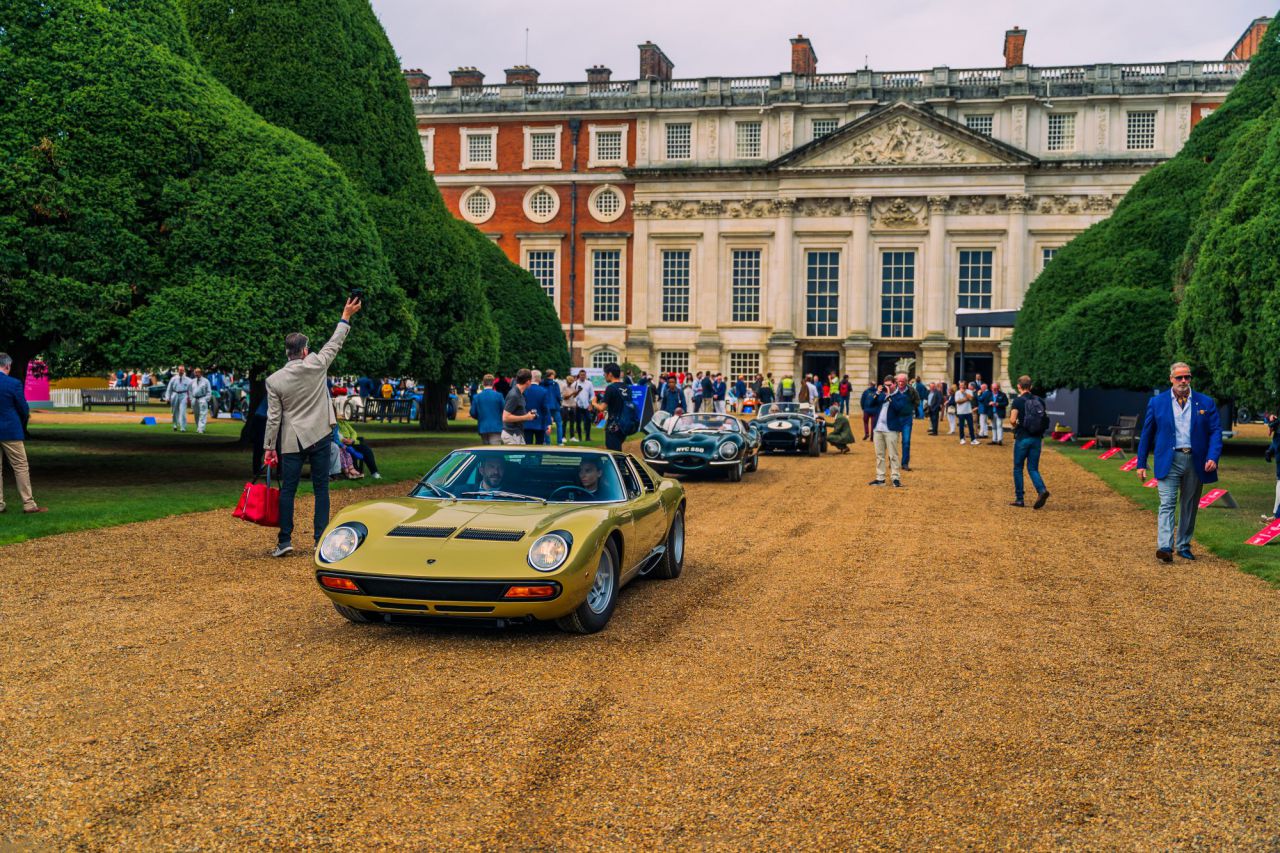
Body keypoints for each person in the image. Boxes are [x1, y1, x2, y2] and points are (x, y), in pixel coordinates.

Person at [263, 297, 361, 558]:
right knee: (321, 488)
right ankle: (320, 539)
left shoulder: (274, 380)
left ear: (288, 352)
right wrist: (345, 316)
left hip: (292, 439)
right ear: (304, 350)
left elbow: (274, 417)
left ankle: (285, 540)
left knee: (288, 490)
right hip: (320, 433)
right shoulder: (316, 364)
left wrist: (269, 448)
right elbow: (335, 343)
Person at [1136, 362, 1223, 563]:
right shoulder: (1157, 402)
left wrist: (1213, 456)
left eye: (1187, 377)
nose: (1184, 381)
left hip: (1196, 460)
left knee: (1189, 505)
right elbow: (1147, 434)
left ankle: (1184, 545)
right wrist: (1141, 463)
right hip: (1168, 459)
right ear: (1171, 379)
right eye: (1179, 377)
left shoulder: (1206, 402)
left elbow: (1216, 431)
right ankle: (1165, 547)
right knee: (1167, 503)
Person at [0, 353, 45, 514]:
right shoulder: (14, 383)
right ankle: (28, 503)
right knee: (20, 467)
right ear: (7, 366)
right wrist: (21, 420)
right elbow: (23, 408)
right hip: (10, 429)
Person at [1008, 375, 1051, 509]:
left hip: (1022, 437)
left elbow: (1012, 420)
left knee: (1018, 468)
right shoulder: (1039, 400)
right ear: (1031, 387)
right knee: (1033, 468)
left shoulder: (1017, 401)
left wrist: (1015, 426)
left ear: (1019, 386)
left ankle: (1020, 498)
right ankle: (1041, 490)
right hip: (1037, 438)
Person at [868, 375, 912, 487]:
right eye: (885, 385)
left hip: (891, 429)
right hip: (878, 429)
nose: (887, 387)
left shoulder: (900, 396)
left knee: (893, 455)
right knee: (879, 455)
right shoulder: (881, 395)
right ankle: (880, 478)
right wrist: (877, 393)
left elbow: (899, 409)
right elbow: (870, 405)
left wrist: (889, 397)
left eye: (889, 385)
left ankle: (895, 478)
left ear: (895, 384)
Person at [596, 363, 631, 452]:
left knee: (613, 452)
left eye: (605, 373)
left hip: (613, 425)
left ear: (610, 374)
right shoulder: (627, 387)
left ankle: (620, 466)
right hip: (624, 425)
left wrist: (593, 403)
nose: (604, 375)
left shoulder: (610, 388)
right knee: (618, 449)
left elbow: (601, 408)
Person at [502, 369, 538, 445]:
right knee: (516, 457)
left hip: (518, 433)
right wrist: (526, 417)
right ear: (528, 381)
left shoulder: (519, 393)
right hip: (511, 434)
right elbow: (505, 417)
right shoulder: (514, 395)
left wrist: (528, 414)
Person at [471, 374, 505, 445]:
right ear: (493, 383)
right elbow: (504, 410)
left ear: (483, 383)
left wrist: (481, 416)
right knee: (495, 451)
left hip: (483, 426)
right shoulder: (499, 396)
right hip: (496, 427)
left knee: (486, 450)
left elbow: (473, 412)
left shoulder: (477, 397)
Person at [899, 373, 919, 471]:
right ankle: (893, 461)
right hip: (895, 418)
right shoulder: (893, 390)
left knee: (906, 441)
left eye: (903, 381)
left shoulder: (912, 391)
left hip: (907, 419)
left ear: (906, 381)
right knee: (892, 442)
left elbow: (917, 401)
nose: (901, 383)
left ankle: (905, 463)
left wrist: (910, 408)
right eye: (899, 381)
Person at [523, 369, 548, 445]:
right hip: (540, 422)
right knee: (539, 447)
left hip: (526, 421)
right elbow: (545, 408)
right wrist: (548, 422)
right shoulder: (544, 391)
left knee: (527, 446)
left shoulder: (524, 390)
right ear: (539, 379)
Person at [164, 366, 192, 432]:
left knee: (183, 412)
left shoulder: (188, 380)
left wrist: (190, 398)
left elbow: (191, 389)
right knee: (174, 411)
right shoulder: (173, 379)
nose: (181, 371)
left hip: (183, 395)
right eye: (180, 370)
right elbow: (169, 389)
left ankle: (183, 427)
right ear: (178, 370)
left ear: (184, 371)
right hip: (175, 394)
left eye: (182, 370)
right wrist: (167, 397)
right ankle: (175, 425)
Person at [542, 369, 565, 445]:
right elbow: (558, 395)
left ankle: (547, 441)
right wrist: (560, 401)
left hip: (545, 406)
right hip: (555, 406)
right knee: (559, 424)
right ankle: (559, 441)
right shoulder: (555, 384)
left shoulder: (542, 383)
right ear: (551, 375)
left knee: (546, 424)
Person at [1263, 415, 1279, 522]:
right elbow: (1275, 443)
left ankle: (1277, 516)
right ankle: (1276, 515)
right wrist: (1269, 451)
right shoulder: (1277, 435)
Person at [189, 368, 212, 434]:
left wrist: (206, 399)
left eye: (197, 372)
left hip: (202, 398)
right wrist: (191, 399)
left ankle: (201, 429)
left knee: (203, 414)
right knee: (196, 415)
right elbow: (190, 391)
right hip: (194, 399)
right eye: (195, 372)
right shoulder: (192, 381)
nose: (196, 374)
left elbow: (209, 392)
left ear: (201, 373)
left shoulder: (206, 381)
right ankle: (198, 427)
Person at [573, 370, 593, 443]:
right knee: (578, 422)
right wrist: (575, 403)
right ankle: (580, 438)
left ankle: (587, 437)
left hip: (587, 405)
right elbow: (573, 395)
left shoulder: (589, 383)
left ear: (585, 375)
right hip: (578, 406)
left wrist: (590, 404)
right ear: (579, 375)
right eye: (581, 375)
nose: (582, 376)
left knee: (589, 420)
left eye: (584, 375)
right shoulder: (575, 383)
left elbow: (592, 395)